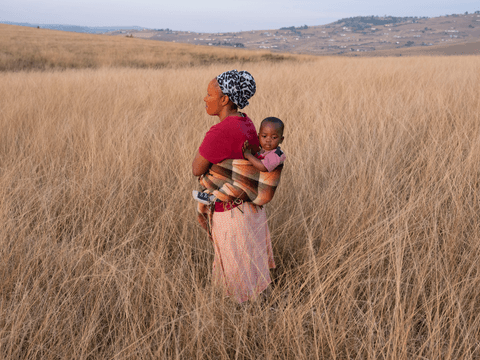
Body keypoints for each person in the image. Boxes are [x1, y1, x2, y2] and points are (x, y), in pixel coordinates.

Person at [192, 70, 276, 303]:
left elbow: (197, 169)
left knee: (237, 285)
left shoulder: (221, 131)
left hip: (232, 214)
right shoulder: (246, 122)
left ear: (224, 99)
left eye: (209, 94)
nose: (205, 99)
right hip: (250, 211)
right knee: (252, 276)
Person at [192, 116, 286, 206]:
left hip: (261, 190)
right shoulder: (263, 150)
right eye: (264, 136)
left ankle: (213, 198)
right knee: (231, 180)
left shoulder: (277, 154)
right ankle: (209, 192)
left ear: (281, 139)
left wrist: (248, 155)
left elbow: (263, 167)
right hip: (254, 183)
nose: (268, 140)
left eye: (274, 137)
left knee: (237, 188)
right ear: (259, 136)